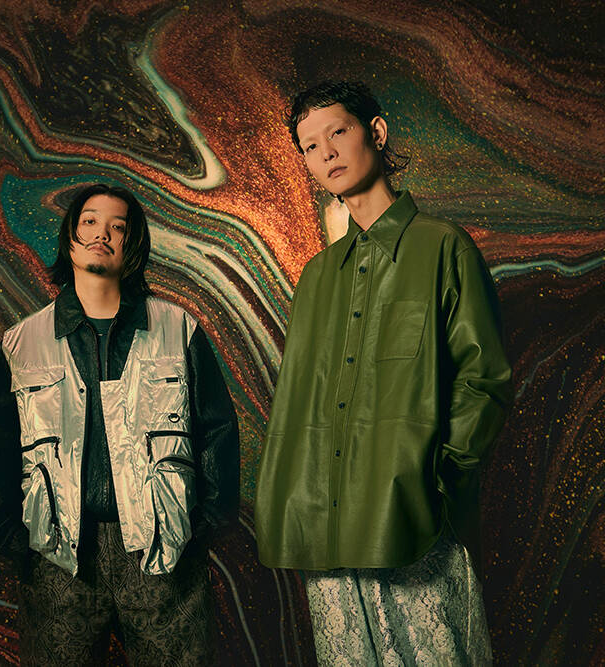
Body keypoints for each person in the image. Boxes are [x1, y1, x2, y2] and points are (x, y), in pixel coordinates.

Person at [254, 81, 512, 664]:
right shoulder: (316, 276)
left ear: (376, 132)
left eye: (337, 132)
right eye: (310, 146)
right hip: (322, 534)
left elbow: (484, 380)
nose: (326, 153)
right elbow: (301, 401)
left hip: (414, 525)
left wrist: (436, 479)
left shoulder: (444, 247)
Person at [0, 183, 239, 665]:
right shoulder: (22, 342)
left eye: (118, 227)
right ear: (70, 237)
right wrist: (15, 540)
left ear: (132, 244)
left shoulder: (178, 328)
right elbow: (0, 446)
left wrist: (200, 527)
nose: (102, 233)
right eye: (90, 222)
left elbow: (217, 430)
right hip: (58, 556)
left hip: (163, 552)